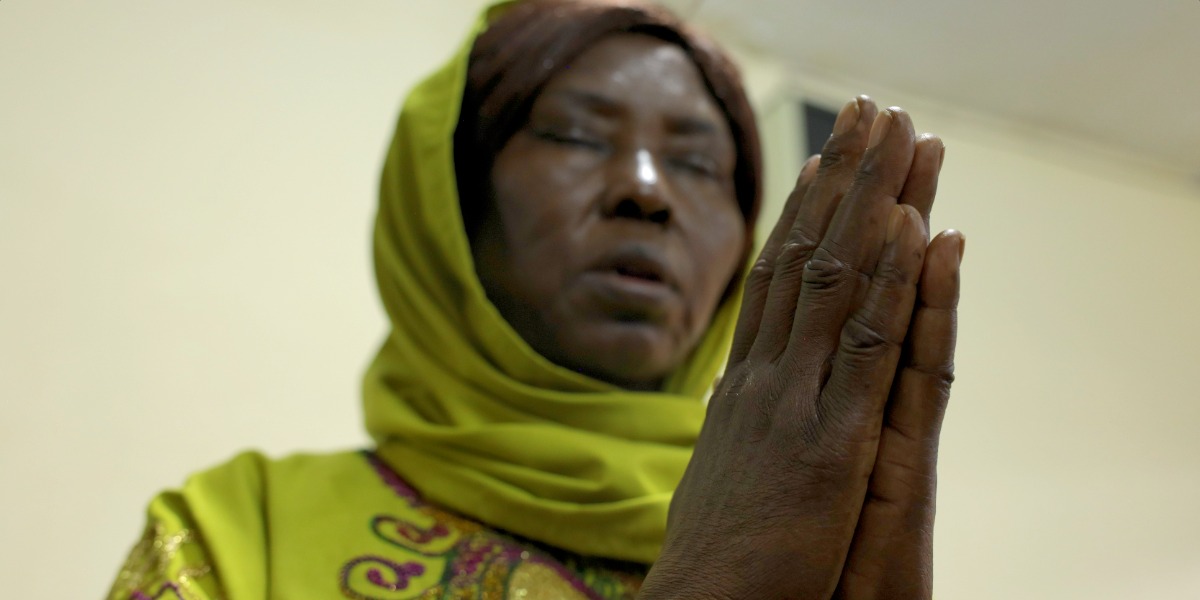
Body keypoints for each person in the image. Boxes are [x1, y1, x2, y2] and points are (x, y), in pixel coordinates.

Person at [106, 0, 963, 598]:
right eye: (576, 135)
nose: (645, 190)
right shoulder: (235, 534)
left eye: (698, 164)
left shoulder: (834, 529)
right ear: (446, 206)